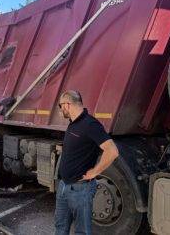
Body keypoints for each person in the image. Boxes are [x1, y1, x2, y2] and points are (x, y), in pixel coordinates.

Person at [55, 90, 119, 235]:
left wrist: (95, 172)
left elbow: (112, 151)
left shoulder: (90, 124)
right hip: (64, 186)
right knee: (60, 227)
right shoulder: (73, 123)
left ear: (67, 104)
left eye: (60, 106)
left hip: (80, 189)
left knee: (82, 231)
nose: (61, 110)